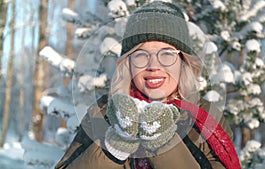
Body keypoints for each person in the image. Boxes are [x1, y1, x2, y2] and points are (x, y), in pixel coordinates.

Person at [55, 1, 241, 169]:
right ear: (128, 64)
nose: (153, 66)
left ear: (183, 61)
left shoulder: (206, 120)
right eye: (141, 54)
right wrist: (114, 145)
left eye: (167, 54)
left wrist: (163, 143)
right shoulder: (103, 113)